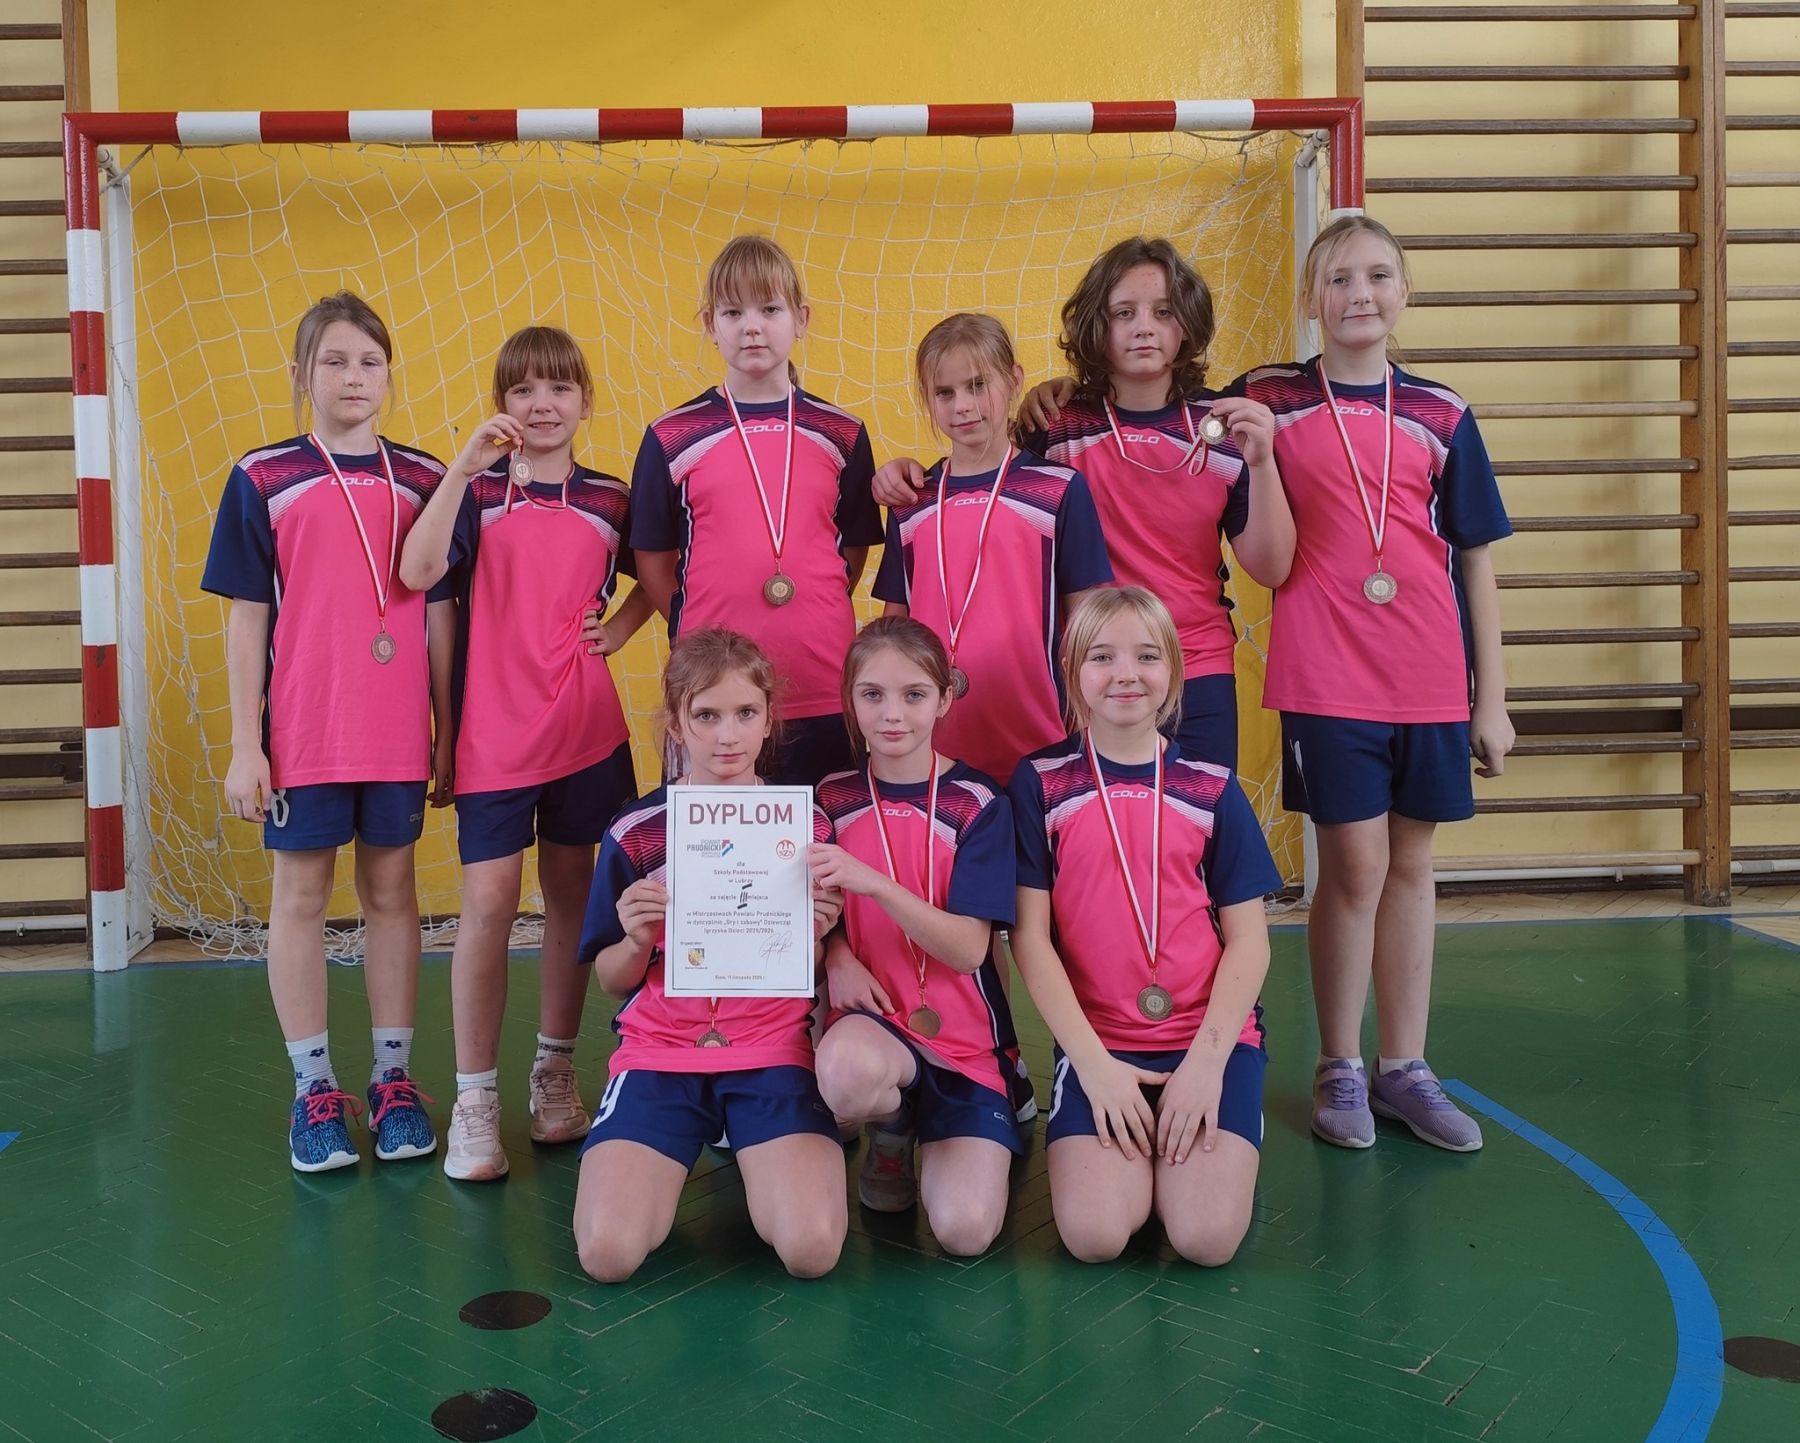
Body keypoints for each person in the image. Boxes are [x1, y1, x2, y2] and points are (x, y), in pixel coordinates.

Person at [1230, 214, 1514, 1152]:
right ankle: (1340, 1063)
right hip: (1326, 674)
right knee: (1354, 867)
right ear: (1312, 298)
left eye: (1379, 275)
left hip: (1430, 676)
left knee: (1413, 864)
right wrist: (1061, 398)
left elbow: (1474, 559)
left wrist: (1491, 698)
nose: (1360, 293)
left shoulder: (1443, 411)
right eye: (1340, 277)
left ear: (1405, 292)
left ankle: (1405, 1065)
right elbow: (1161, 410)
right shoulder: (1269, 396)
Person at [874, 238, 1294, 767]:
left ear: (1187, 323)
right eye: (1124, 313)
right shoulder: (1056, 425)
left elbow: (1272, 568)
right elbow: (984, 474)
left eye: (1164, 311)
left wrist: (1263, 463)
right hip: (1095, 674)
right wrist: (904, 477)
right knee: (1100, 815)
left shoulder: (1225, 430)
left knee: (1196, 814)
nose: (1144, 327)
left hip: (1196, 665)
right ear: (1098, 326)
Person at [203, 290, 449, 1172]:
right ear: (301, 373)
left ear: (389, 374)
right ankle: (313, 1090)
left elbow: (442, 616)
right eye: (334, 360)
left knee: (392, 893)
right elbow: (246, 619)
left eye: (369, 361)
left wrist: (448, 729)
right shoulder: (262, 476)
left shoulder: (424, 477)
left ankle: (393, 1080)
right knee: (301, 897)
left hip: (395, 733)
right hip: (305, 733)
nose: (353, 376)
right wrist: (246, 743)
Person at [397, 325, 650, 1181]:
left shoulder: (611, 499)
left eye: (560, 387)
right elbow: (417, 572)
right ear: (502, 402)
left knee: (573, 899)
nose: (542, 404)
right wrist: (461, 468)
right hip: (493, 736)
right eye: (523, 389)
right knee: (489, 904)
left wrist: (620, 628)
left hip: (585, 730)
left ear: (584, 400)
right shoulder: (472, 494)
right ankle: (474, 1097)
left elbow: (663, 574)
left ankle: (554, 1070)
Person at [1009, 587, 1279, 1265]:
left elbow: (1250, 941)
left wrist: (1206, 1066)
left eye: (1147, 656)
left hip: (1206, 1041)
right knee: (1095, 1236)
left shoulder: (1212, 787)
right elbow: (1029, 938)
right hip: (1102, 1046)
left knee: (1204, 1239)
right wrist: (1094, 1067)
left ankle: (1210, 1142)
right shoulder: (1041, 782)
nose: (1126, 673)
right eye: (1102, 656)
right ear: (1072, 671)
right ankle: (1146, 1153)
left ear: (1174, 672)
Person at [572, 627, 847, 1281]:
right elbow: (611, 979)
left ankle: (750, 1137)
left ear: (769, 718)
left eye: (746, 713)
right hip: (660, 1052)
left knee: (811, 1250)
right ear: (676, 722)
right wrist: (636, 939)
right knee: (608, 1255)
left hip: (770, 1052)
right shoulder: (637, 831)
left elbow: (815, 970)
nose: (728, 735)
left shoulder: (805, 827)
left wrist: (814, 935)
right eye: (707, 715)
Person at [629, 235, 884, 786]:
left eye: (770, 309)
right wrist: (692, 619)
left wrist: (815, 600)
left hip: (824, 682)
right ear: (709, 324)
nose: (752, 327)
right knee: (719, 837)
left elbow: (853, 547)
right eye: (732, 312)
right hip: (714, 694)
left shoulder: (841, 432)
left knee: (825, 833)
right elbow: (652, 556)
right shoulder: (671, 435)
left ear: (801, 319)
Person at [810, 618, 1022, 1252]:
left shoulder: (979, 801)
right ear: (850, 699)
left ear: (945, 698)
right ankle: (894, 1124)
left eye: (914, 694)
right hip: (874, 1024)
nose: (892, 714)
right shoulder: (830, 797)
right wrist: (837, 954)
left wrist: (873, 883)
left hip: (963, 1040)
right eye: (872, 694)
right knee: (845, 1076)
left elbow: (968, 949)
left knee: (964, 1231)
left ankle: (988, 1096)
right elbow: (813, 912)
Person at [870, 312, 1113, 786]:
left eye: (978, 385)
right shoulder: (912, 502)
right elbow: (892, 631)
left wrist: (1094, 729)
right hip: (931, 748)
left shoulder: (1059, 490)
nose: (963, 405)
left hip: (1039, 743)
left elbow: (1090, 625)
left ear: (1014, 380)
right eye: (945, 393)